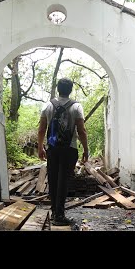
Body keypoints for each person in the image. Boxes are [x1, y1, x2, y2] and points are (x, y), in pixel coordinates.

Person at [37, 78, 89, 226]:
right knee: (63, 181)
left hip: (52, 149)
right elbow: (82, 131)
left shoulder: (47, 105)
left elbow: (41, 129)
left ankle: (55, 212)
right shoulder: (76, 107)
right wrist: (86, 149)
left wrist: (40, 147)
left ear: (58, 88)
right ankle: (59, 215)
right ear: (70, 90)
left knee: (53, 180)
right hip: (70, 149)